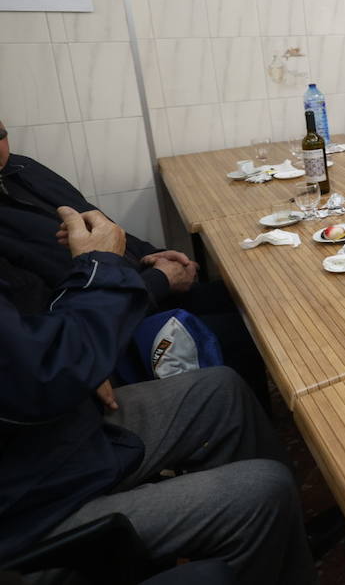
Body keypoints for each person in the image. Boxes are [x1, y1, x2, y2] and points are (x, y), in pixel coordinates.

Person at [0, 207, 315, 583]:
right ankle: (257, 527)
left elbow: (29, 345)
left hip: (52, 429)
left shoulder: (21, 177)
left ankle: (287, 536)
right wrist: (98, 266)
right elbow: (42, 375)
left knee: (221, 388)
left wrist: (77, 344)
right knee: (265, 489)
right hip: (32, 504)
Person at [0, 119, 267, 404]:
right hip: (110, 334)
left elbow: (105, 227)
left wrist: (152, 256)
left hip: (132, 289)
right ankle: (249, 426)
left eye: (1, 135)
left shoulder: (23, 169)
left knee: (250, 297)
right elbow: (52, 319)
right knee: (244, 333)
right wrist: (161, 280)